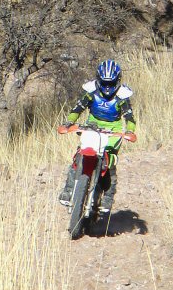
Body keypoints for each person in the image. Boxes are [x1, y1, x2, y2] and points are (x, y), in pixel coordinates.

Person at [57, 59, 137, 213]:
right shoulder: (91, 91)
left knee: (110, 160)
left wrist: (130, 131)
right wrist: (69, 122)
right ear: (99, 79)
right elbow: (78, 108)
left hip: (113, 129)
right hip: (92, 125)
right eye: (104, 82)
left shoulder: (122, 96)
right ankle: (68, 189)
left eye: (111, 82)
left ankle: (108, 196)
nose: (107, 87)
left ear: (117, 81)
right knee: (80, 153)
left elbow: (129, 117)